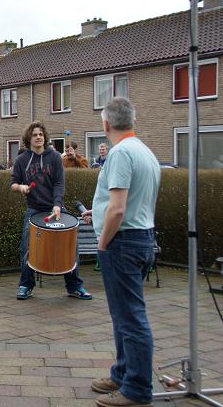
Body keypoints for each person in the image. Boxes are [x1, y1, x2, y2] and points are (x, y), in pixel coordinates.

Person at [81, 98, 160, 407]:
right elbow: (133, 201)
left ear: (105, 124)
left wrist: (102, 243)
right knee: (124, 314)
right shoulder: (145, 151)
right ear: (133, 120)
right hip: (142, 238)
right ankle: (122, 374)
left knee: (130, 318)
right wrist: (98, 212)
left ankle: (136, 389)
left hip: (122, 243)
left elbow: (118, 209)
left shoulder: (120, 154)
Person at [10, 121, 91, 301]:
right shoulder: (22, 160)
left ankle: (74, 286)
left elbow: (59, 183)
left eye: (41, 134)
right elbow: (13, 183)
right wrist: (21, 187)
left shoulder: (54, 156)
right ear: (29, 138)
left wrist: (57, 204)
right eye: (34, 135)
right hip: (34, 210)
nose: (38, 137)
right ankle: (26, 285)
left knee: (70, 245)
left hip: (55, 208)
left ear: (45, 137)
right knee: (26, 246)